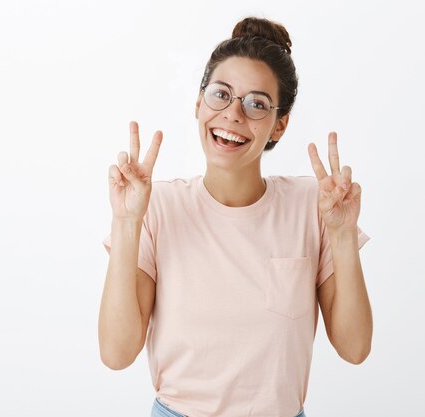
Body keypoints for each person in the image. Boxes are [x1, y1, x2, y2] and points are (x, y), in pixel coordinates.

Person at [98, 16, 372, 417]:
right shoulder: (157, 206)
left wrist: (343, 235)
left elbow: (355, 348)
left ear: (279, 126)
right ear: (198, 103)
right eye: (221, 94)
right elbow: (116, 353)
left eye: (256, 103)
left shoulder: (315, 207)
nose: (233, 114)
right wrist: (126, 223)